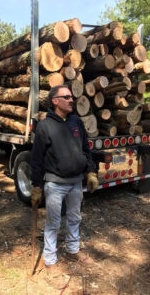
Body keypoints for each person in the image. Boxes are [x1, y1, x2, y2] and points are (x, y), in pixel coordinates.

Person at [30, 85, 99, 275]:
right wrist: (36, 186)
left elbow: (85, 149)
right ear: (55, 101)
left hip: (76, 182)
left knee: (75, 217)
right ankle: (50, 260)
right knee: (53, 222)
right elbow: (36, 159)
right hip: (55, 184)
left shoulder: (76, 121)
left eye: (71, 97)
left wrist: (90, 172)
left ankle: (72, 250)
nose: (71, 100)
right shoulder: (45, 126)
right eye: (66, 97)